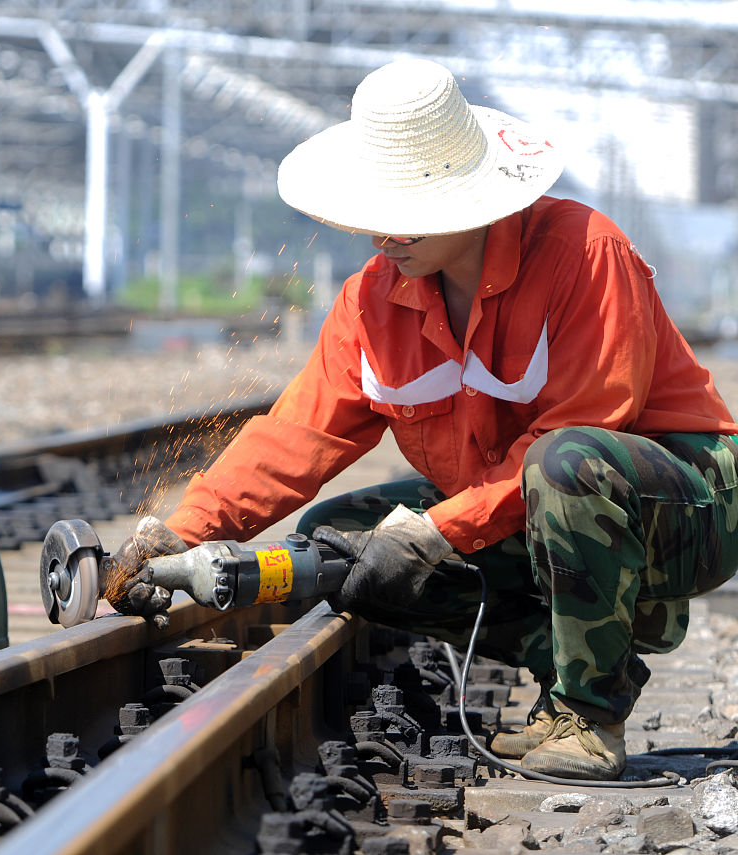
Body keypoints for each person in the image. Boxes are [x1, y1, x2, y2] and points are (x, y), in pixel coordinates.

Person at [112, 58, 738, 781]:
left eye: (404, 203)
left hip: (685, 502)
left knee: (564, 465)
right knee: (335, 544)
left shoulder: (585, 255)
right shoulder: (371, 304)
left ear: (465, 196)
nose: (383, 231)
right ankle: (593, 651)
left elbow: (591, 429)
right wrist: (185, 531)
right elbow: (295, 438)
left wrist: (438, 530)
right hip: (525, 509)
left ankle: (588, 717)